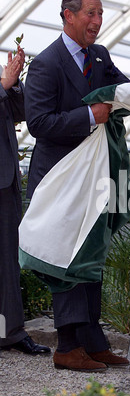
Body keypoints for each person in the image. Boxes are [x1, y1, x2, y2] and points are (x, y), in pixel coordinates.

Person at [24, 0, 130, 372]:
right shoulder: (46, 64)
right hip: (58, 180)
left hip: (92, 177)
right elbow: (38, 123)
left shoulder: (99, 56)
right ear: (68, 15)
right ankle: (67, 347)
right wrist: (90, 116)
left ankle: (91, 340)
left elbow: (124, 90)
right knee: (64, 260)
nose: (97, 22)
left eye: (100, 14)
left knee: (89, 255)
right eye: (90, 14)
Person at [0, 46, 50, 355]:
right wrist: (3, 85)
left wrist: (15, 83)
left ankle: (10, 333)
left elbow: (20, 113)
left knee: (7, 261)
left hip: (5, 179)